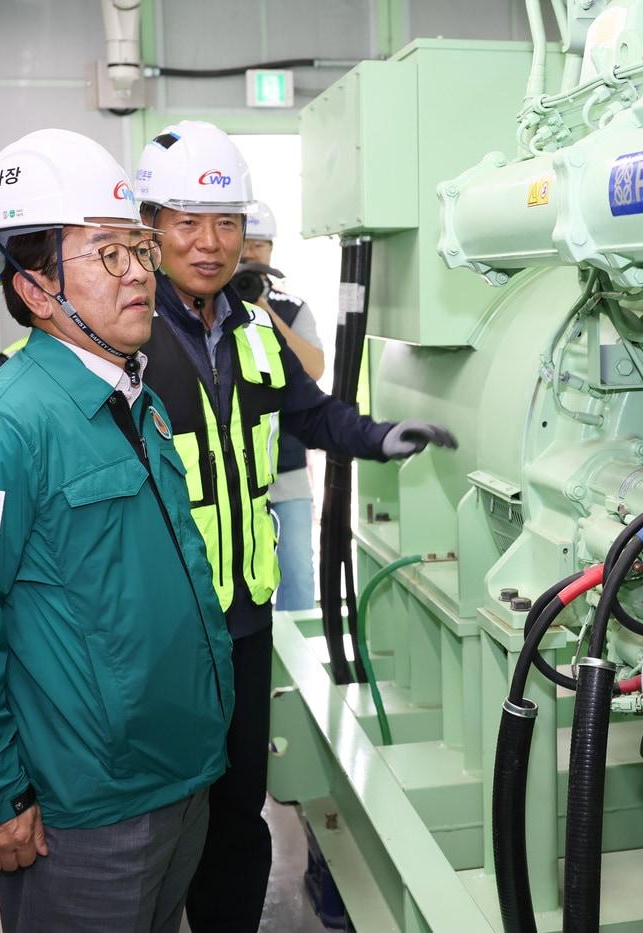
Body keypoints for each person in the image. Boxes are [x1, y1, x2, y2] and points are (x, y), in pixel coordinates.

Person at [0, 128, 235, 933]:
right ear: (34, 288)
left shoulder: (134, 398)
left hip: (181, 780)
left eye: (137, 251)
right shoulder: (1, 429)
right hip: (89, 817)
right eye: (108, 256)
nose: (138, 276)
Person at [133, 120, 456, 932]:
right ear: (151, 229)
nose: (210, 243)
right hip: (156, 624)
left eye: (227, 223)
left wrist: (381, 437)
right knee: (159, 815)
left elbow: (311, 414)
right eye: (188, 222)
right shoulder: (122, 335)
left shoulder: (251, 322)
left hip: (243, 616)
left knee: (240, 806)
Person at [239, 200, 319, 611]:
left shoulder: (290, 308)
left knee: (300, 586)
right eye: (245, 243)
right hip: (231, 481)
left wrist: (264, 308)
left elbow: (313, 368)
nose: (251, 253)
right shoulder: (202, 310)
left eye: (261, 244)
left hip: (286, 472)